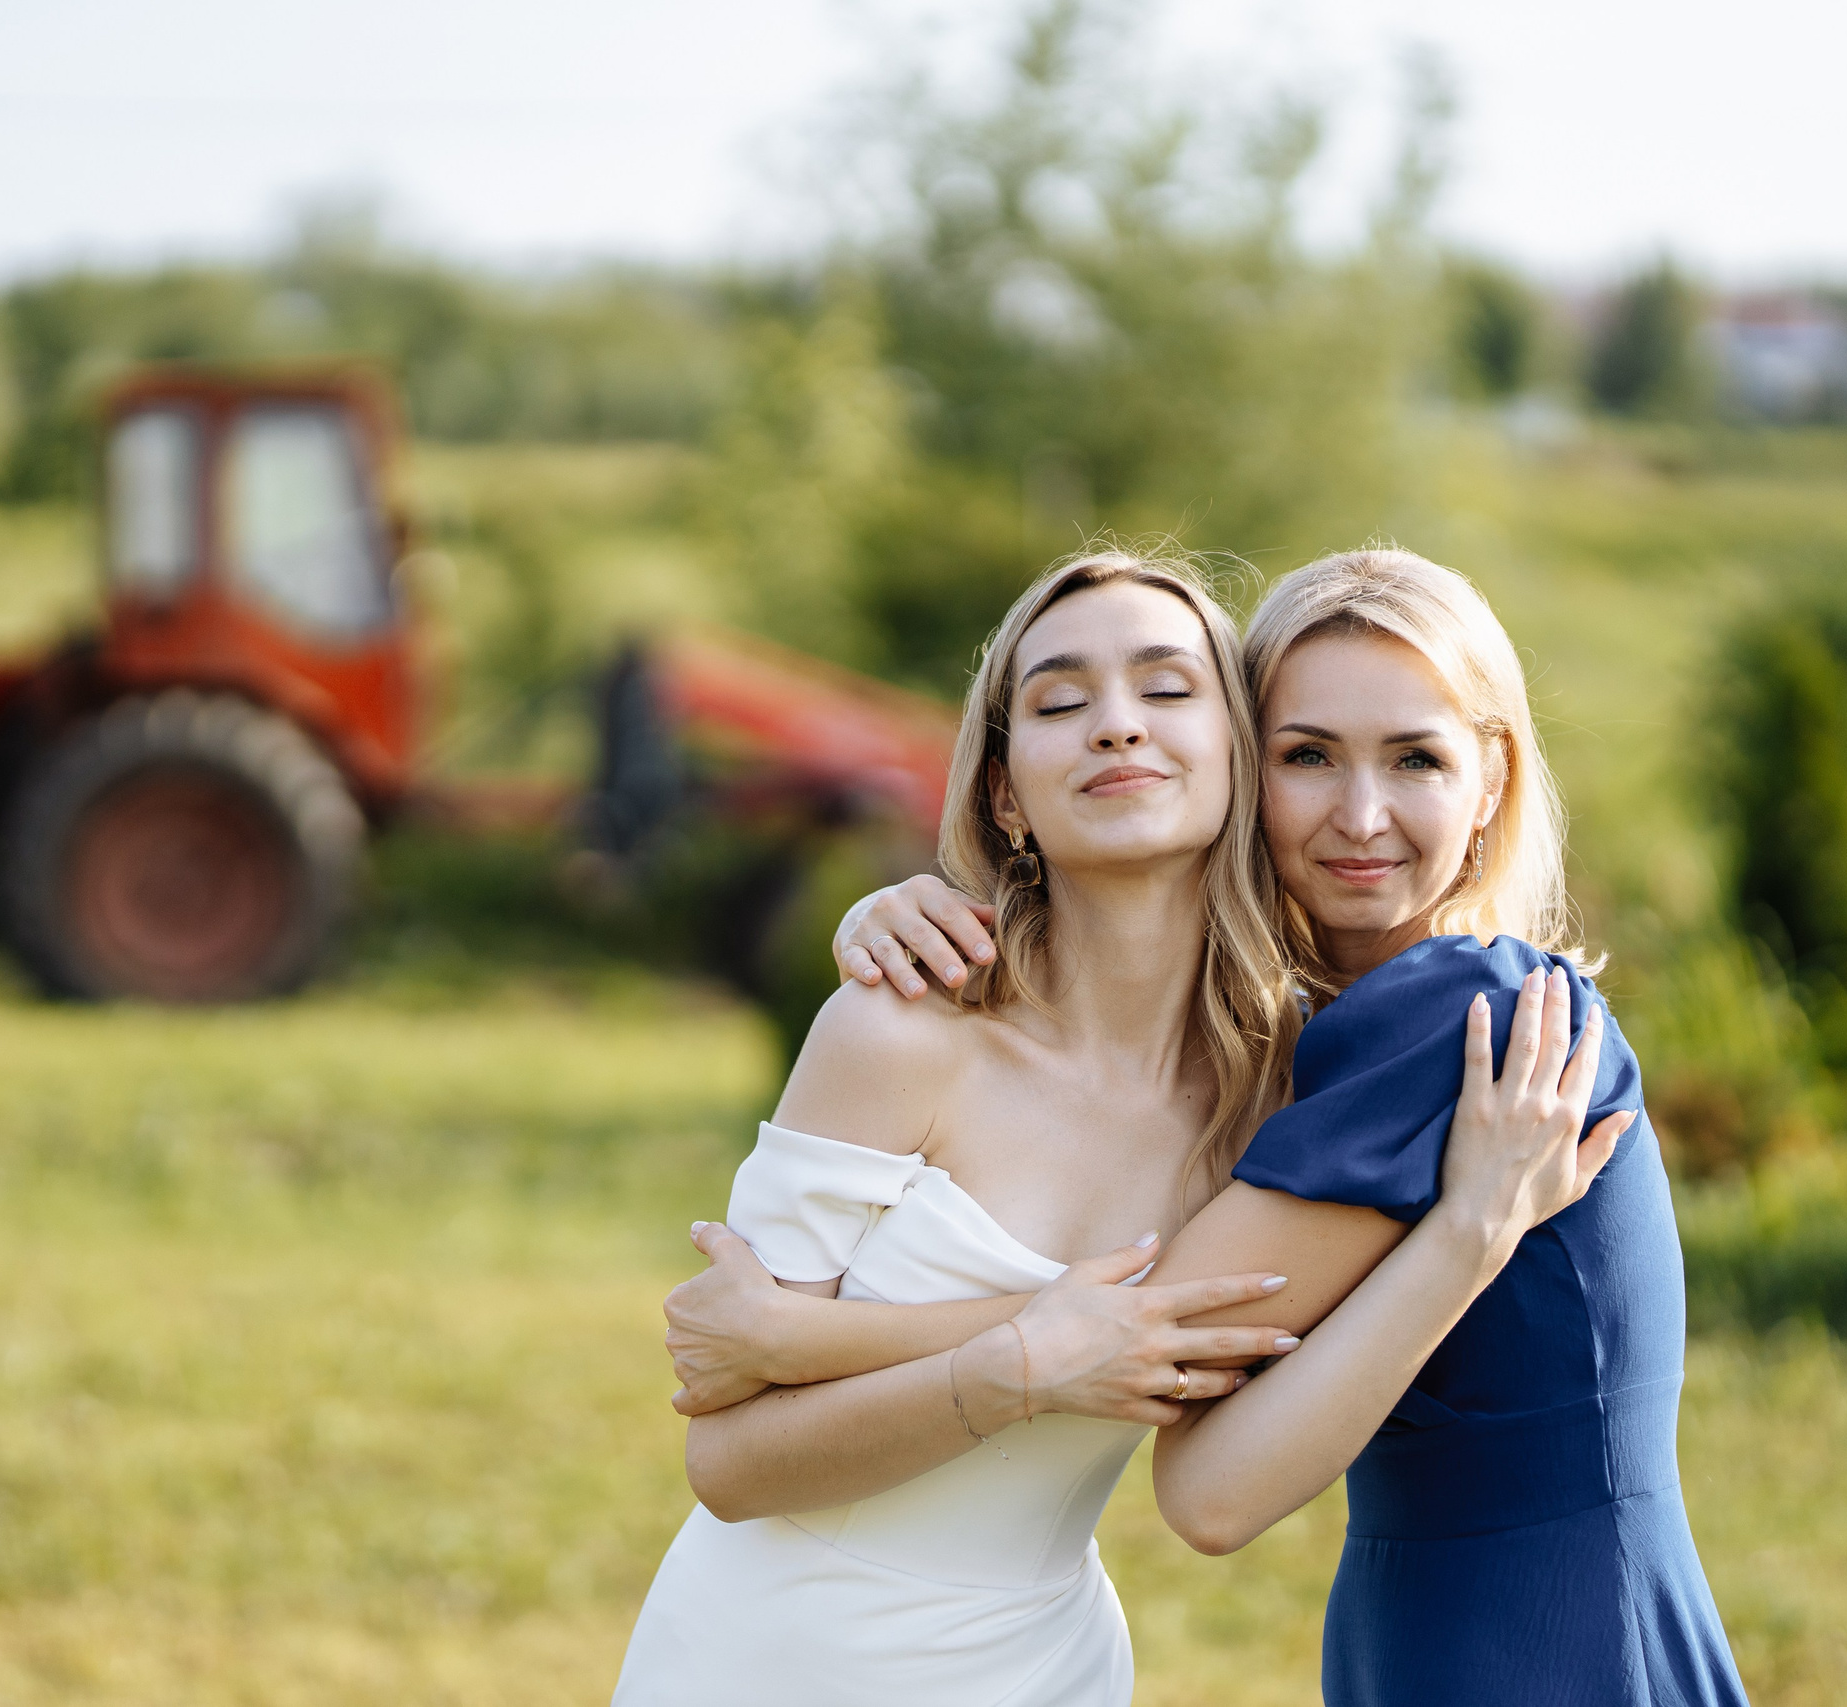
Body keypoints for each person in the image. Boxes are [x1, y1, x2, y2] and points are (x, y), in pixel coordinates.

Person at [682, 546, 1750, 1705]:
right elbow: (1114, 1334)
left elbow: (1198, 1471)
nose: (1360, 813)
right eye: (1308, 755)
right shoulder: (1290, 1056)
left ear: (1490, 778)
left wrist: (799, 1342)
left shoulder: (1429, 1026)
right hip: (802, 1650)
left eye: (1415, 758)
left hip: (1537, 1639)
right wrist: (891, 904)